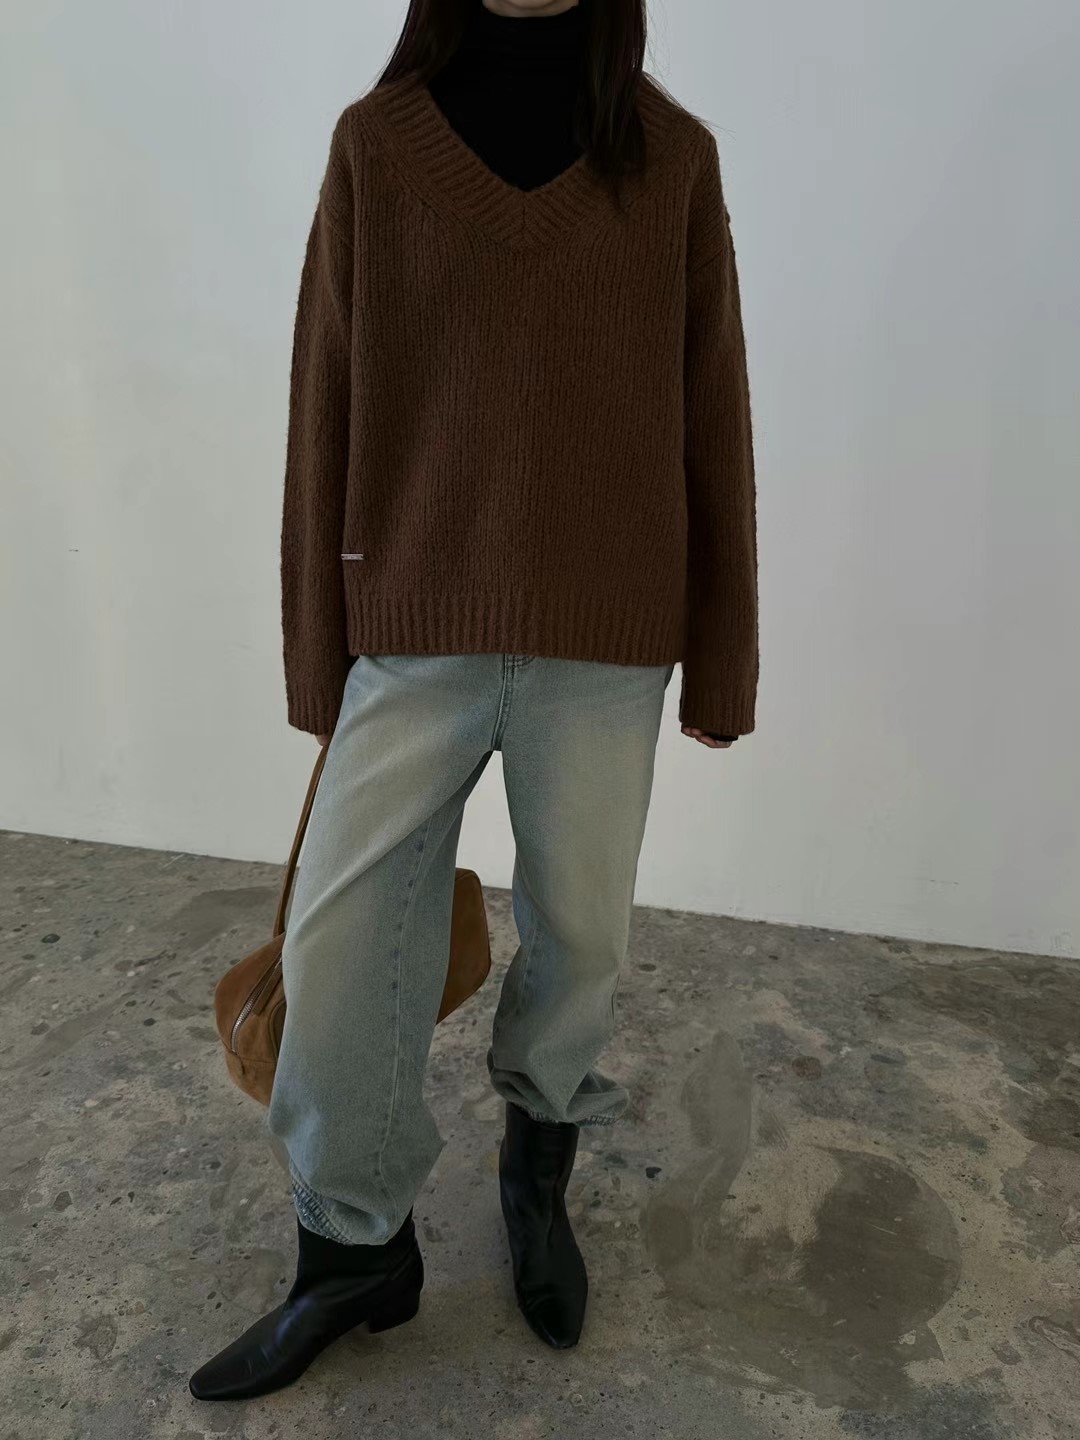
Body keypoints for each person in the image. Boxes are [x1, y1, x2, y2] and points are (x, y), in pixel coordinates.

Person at [189, 0, 757, 1401]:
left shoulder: (672, 160)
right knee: (338, 945)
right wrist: (318, 651)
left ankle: (536, 1168)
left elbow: (712, 409)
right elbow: (325, 400)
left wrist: (724, 652)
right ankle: (350, 1250)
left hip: (605, 638)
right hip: (414, 626)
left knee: (583, 929)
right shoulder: (377, 148)